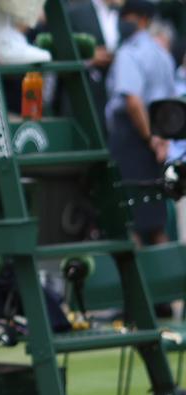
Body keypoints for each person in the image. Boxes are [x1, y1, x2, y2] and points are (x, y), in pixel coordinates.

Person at [105, 0, 176, 244]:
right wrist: (162, 140)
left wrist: (149, 138)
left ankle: (137, 281)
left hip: (133, 136)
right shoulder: (161, 53)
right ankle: (169, 280)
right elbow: (170, 104)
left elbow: (133, 103)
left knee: (131, 222)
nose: (123, 21)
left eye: (129, 16)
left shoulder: (129, 53)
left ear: (143, 19)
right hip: (157, 137)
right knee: (155, 221)